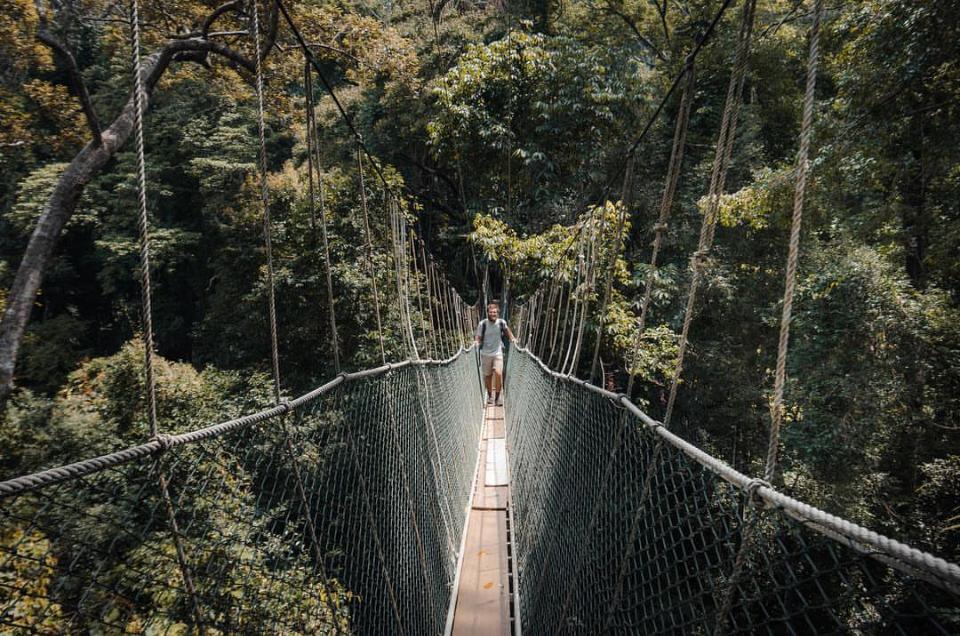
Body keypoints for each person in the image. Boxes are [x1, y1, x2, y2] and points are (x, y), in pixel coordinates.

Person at [475, 302, 515, 406]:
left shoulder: (501, 322)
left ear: (498, 313)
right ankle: (490, 396)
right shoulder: (482, 324)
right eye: (491, 312)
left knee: (498, 373)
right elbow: (478, 337)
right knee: (487, 376)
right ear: (487, 312)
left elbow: (507, 332)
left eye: (495, 312)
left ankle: (497, 397)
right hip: (485, 353)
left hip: (498, 352)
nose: (493, 314)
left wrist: (512, 339)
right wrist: (476, 342)